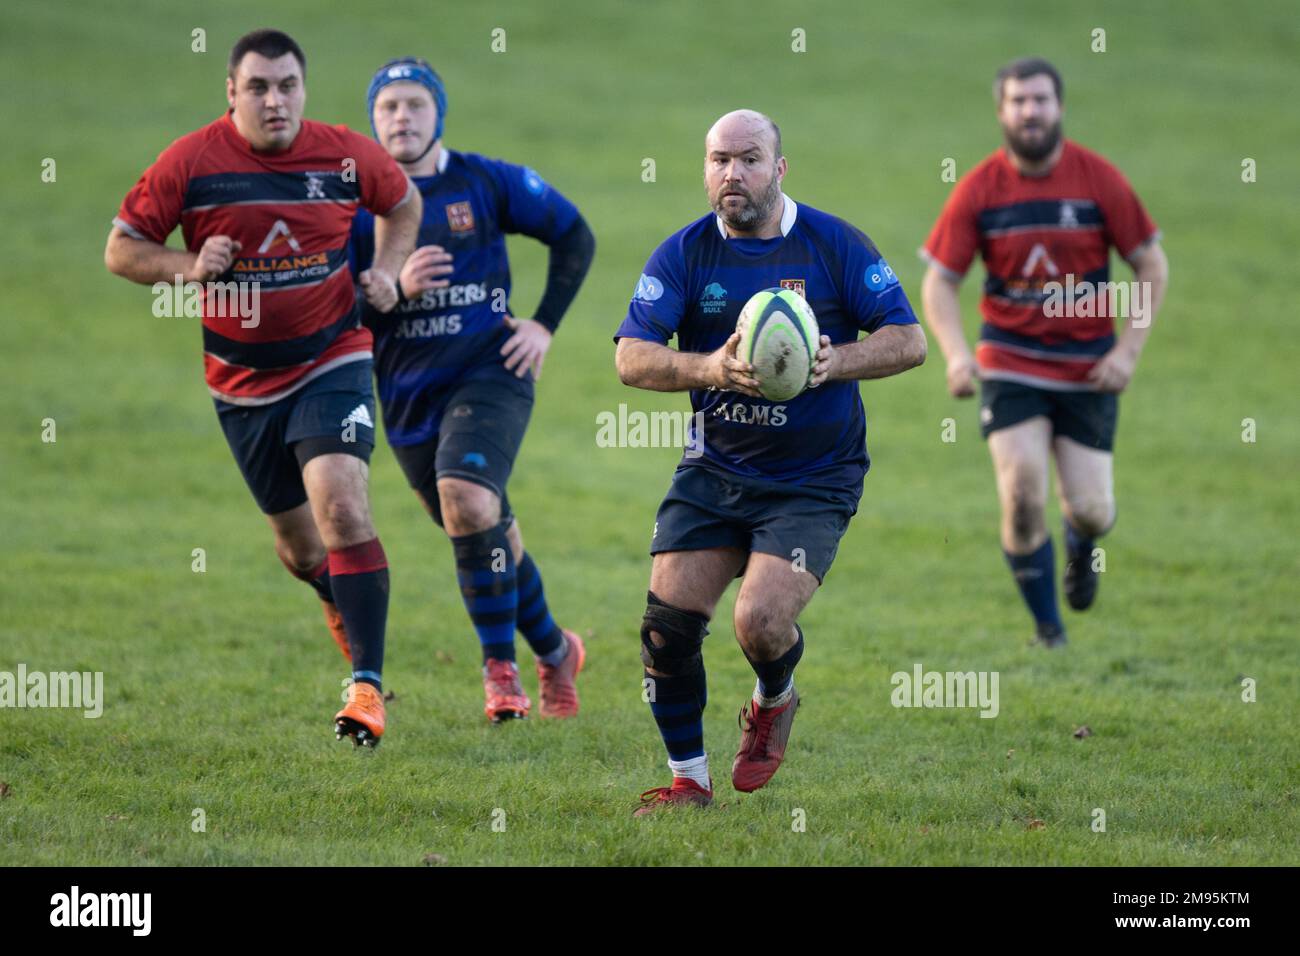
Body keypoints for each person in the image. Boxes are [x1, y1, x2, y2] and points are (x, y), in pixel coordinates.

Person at [104, 29, 421, 746]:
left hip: (334, 356)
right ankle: (333, 598)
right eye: (257, 87)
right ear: (231, 92)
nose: (274, 100)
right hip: (242, 385)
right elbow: (120, 249)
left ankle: (367, 688)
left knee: (343, 506)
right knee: (302, 550)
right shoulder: (191, 162)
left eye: (286, 86)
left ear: (303, 90)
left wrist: (388, 270)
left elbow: (401, 204)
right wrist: (186, 265)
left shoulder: (343, 153)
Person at [614, 109, 926, 813]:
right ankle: (689, 783)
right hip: (716, 469)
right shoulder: (685, 254)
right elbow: (630, 358)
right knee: (666, 627)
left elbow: (909, 341)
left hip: (813, 479)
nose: (733, 173)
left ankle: (774, 698)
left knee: (758, 622)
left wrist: (833, 362)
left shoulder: (834, 244)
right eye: (719, 159)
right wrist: (710, 370)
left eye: (749, 159)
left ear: (780, 169)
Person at [349, 58, 595, 722]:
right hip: (407, 398)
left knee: (466, 500)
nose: (402, 116)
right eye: (389, 106)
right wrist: (394, 291)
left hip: (492, 374)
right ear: (374, 120)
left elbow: (574, 233)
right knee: (484, 529)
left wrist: (543, 324)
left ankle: (502, 676)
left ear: (438, 114)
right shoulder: (357, 208)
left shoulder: (484, 181)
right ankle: (555, 649)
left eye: (415, 104)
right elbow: (337, 313)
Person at [918, 57, 1168, 647]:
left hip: (1088, 367)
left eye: (1040, 100)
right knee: (1024, 494)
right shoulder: (979, 188)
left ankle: (1082, 541)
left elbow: (1151, 263)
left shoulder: (1098, 179)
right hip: (1010, 362)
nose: (1030, 111)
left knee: (1092, 510)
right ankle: (1048, 633)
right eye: (1018, 102)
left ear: (1059, 107)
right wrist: (957, 354)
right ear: (1002, 112)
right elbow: (940, 280)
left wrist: (1128, 352)